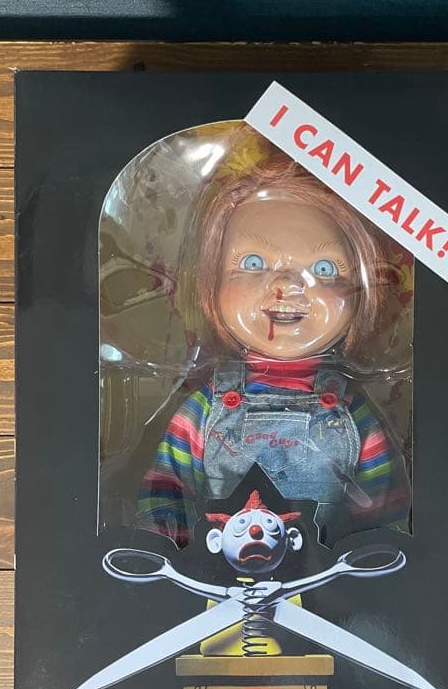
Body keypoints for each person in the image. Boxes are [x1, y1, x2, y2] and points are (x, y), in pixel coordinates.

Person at [136, 129, 410, 547]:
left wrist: (376, 565)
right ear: (210, 281)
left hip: (319, 574)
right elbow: (165, 489)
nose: (287, 285)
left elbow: (384, 510)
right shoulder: (204, 410)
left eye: (324, 270)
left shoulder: (354, 415)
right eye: (252, 262)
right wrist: (168, 553)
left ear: (363, 290)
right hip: (218, 571)